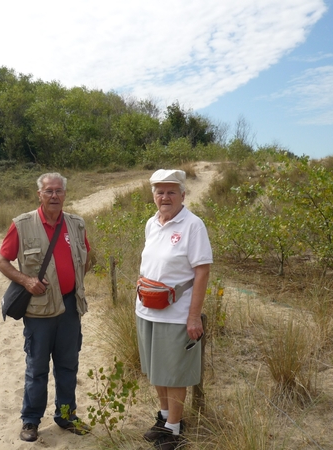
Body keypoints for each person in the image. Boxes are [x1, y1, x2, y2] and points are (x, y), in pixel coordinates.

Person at [0, 172, 92, 443]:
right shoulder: (23, 224)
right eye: (48, 191)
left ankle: (65, 415)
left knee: (68, 365)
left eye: (58, 191)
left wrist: (73, 282)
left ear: (65, 194)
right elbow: (1, 261)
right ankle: (31, 420)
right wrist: (26, 280)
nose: (54, 196)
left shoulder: (76, 224)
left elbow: (87, 257)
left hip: (71, 306)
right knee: (37, 367)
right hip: (39, 311)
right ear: (39, 194)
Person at [136, 169, 212, 450]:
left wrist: (193, 315)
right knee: (157, 369)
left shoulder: (193, 225)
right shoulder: (151, 223)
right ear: (153, 195)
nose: (164, 197)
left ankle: (175, 430)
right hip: (146, 309)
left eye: (171, 191)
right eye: (159, 192)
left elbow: (202, 272)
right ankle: (165, 417)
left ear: (183, 194)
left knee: (175, 371)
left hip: (176, 313)